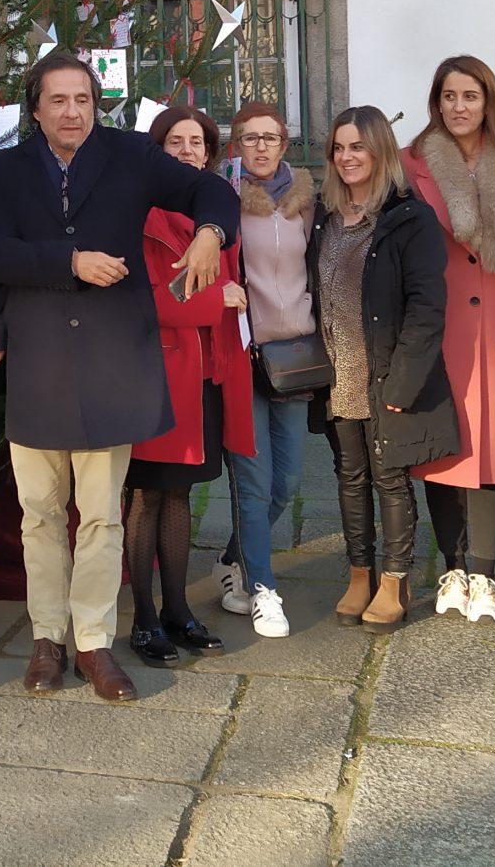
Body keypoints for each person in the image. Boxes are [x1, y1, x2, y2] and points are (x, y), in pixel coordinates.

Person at [0, 51, 240, 703]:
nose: (73, 112)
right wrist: (69, 261)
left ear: (97, 104)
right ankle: (48, 639)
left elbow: (207, 188)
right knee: (39, 514)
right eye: (59, 100)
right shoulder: (6, 170)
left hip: (112, 361)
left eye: (84, 100)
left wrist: (211, 231)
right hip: (38, 363)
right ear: (35, 108)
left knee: (100, 516)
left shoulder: (129, 156)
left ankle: (94, 642)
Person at [402, 54, 495, 623]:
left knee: (492, 445)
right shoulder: (411, 163)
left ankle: (484, 571)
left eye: (470, 96)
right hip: (440, 322)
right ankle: (452, 565)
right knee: (444, 445)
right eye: (449, 96)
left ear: (488, 102)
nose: (459, 107)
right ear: (437, 101)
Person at [314, 106, 454, 632]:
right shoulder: (327, 216)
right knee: (349, 478)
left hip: (384, 374)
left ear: (379, 152)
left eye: (358, 147)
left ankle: (395, 580)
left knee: (389, 479)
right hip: (337, 377)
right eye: (339, 148)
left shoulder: (407, 218)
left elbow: (427, 304)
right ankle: (359, 573)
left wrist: (404, 379)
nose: (347, 157)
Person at [124, 105, 253, 667]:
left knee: (180, 495)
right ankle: (144, 617)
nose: (187, 151)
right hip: (156, 375)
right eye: (174, 141)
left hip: (204, 373)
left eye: (197, 142)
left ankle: (177, 609)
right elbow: (141, 299)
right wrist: (212, 299)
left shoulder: (216, 214)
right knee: (146, 496)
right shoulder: (143, 213)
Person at [216, 102, 315, 639]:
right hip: (245, 357)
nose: (260, 147)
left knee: (290, 480)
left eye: (270, 138)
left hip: (294, 358)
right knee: (254, 484)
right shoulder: (225, 202)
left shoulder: (305, 202)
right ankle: (262, 588)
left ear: (284, 144)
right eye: (249, 138)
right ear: (237, 145)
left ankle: (233, 557)